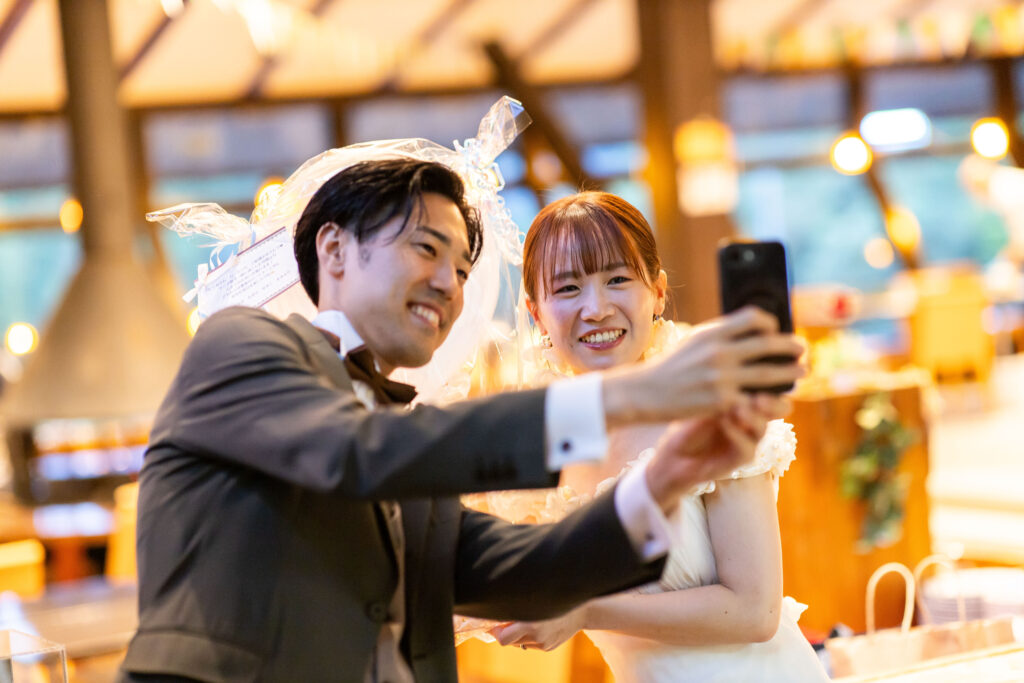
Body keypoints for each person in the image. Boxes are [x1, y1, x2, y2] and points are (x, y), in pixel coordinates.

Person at [118, 160, 804, 683]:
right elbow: (355, 452)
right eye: (426, 249)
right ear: (334, 250)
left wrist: (672, 473)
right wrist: (630, 397)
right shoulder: (243, 345)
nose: (450, 282)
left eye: (462, 266)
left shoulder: (407, 440)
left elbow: (532, 566)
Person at [491, 192, 830, 682]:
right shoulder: (542, 446)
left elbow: (755, 611)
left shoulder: (711, 411)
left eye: (617, 280)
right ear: (535, 313)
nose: (596, 309)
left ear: (658, 291)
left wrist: (584, 611)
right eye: (567, 289)